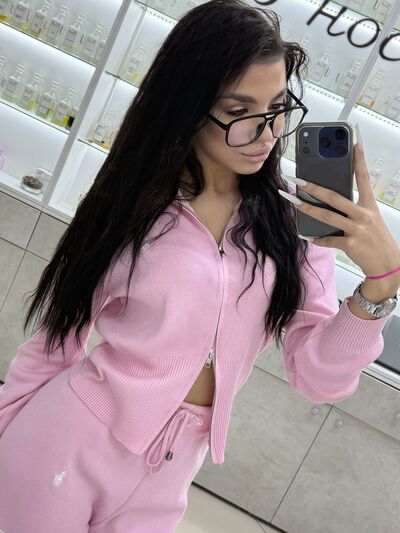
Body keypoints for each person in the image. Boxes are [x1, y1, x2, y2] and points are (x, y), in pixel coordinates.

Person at [0, 1, 396, 531]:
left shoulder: (292, 228)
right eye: (239, 111)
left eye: (278, 107)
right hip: (66, 442)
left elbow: (317, 378)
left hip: (169, 475)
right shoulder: (133, 206)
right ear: (188, 106)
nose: (267, 133)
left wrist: (379, 285)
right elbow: (57, 341)